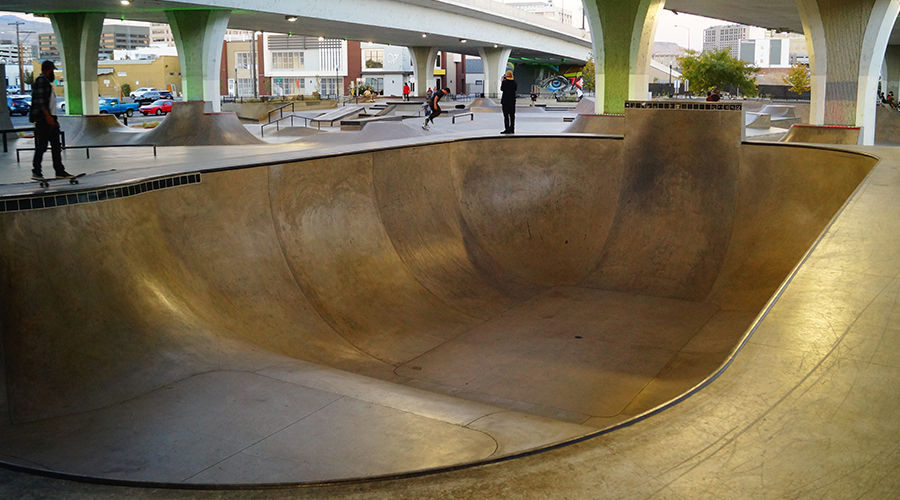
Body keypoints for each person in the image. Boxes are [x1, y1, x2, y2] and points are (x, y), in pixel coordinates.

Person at [30, 60, 72, 181]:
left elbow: (49, 102)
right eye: (53, 70)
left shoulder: (46, 82)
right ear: (49, 70)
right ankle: (36, 171)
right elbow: (41, 102)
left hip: (50, 118)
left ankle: (59, 171)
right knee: (42, 146)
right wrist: (48, 116)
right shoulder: (41, 81)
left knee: (56, 146)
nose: (53, 73)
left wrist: (54, 119)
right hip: (43, 119)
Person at [500, 70, 517, 134]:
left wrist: (502, 81)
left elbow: (502, 89)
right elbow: (515, 89)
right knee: (512, 115)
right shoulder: (514, 82)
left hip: (505, 101)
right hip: (512, 101)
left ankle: (507, 129)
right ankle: (512, 129)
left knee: (506, 115)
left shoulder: (504, 82)